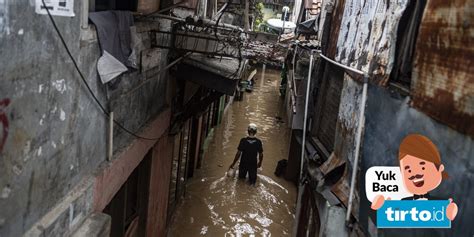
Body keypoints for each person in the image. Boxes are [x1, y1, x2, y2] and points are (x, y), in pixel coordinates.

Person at [371, 134, 458, 220]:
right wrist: (383, 207)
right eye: (408, 169)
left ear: (440, 168)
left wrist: (449, 210)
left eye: (422, 167)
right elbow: (390, 215)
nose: (414, 174)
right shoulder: (404, 202)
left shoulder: (439, 206)